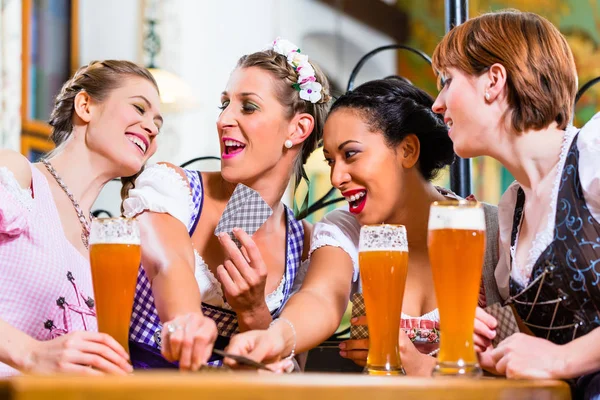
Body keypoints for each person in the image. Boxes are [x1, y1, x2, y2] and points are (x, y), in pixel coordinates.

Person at [225, 77, 501, 375]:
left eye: (351, 154)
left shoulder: (489, 227)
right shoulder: (346, 228)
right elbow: (322, 296)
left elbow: (521, 352)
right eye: (331, 161)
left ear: (407, 151)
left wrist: (415, 357)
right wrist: (275, 337)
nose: (336, 178)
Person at [121, 38, 331, 370]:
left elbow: (283, 374)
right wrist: (189, 320)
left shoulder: (303, 244)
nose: (223, 120)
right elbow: (167, 265)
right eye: (224, 104)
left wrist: (254, 313)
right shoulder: (174, 189)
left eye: (248, 106)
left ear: (299, 127)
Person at [431, 9, 600, 398]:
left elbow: (559, 357)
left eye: (447, 81)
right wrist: (492, 349)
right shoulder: (513, 210)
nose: (438, 104)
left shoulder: (591, 155)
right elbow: (541, 349)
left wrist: (564, 360)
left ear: (494, 81)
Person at [0, 60, 164, 376]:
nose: (152, 127)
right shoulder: (19, 178)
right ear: (85, 105)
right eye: (139, 109)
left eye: (158, 123)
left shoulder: (109, 244)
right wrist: (31, 354)